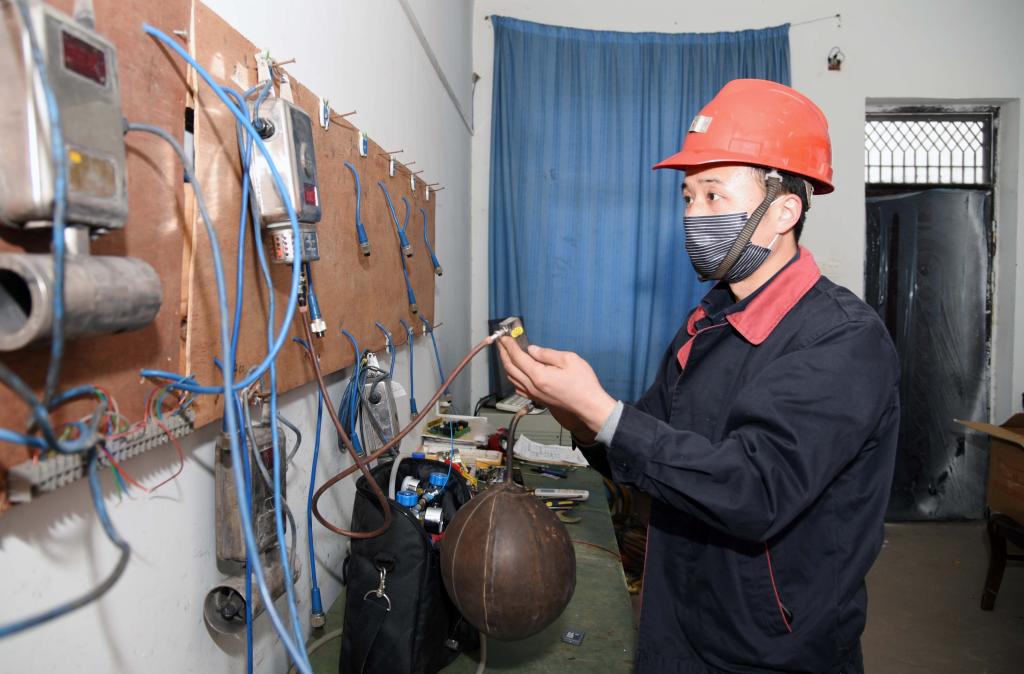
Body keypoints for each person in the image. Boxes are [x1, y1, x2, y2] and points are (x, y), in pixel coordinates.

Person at [498, 79, 899, 674]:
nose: (693, 214)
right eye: (688, 196)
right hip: (677, 617)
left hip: (771, 650)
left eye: (714, 195)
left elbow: (755, 491)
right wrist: (578, 416)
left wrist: (605, 413)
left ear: (784, 211)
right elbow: (648, 454)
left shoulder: (843, 341)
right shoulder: (707, 322)